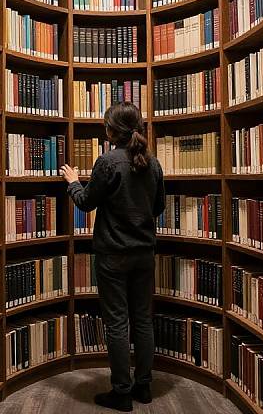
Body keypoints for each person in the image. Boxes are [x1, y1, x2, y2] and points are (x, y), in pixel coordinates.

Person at [60, 101, 165, 412]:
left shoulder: (107, 162)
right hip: (144, 252)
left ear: (110, 131)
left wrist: (73, 183)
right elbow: (157, 208)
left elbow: (86, 203)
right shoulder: (154, 164)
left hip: (113, 255)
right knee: (143, 320)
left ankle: (121, 391)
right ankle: (143, 386)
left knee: (117, 322)